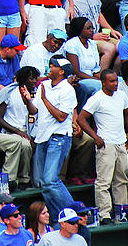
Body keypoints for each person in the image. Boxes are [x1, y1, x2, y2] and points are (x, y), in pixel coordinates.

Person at [78, 69, 128, 224]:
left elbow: (127, 113)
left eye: (116, 80)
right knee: (104, 181)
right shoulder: (97, 98)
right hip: (106, 143)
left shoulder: (121, 95)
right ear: (103, 82)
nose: (115, 83)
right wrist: (95, 137)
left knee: (121, 178)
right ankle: (104, 215)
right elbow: (81, 119)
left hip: (120, 141)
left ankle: (121, 212)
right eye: (112, 81)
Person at [33, 56, 78, 220]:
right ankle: (56, 217)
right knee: (45, 184)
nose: (49, 67)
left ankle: (75, 213)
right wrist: (26, 100)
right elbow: (34, 110)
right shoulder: (43, 85)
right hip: (42, 136)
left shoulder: (67, 90)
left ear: (61, 71)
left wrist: (45, 99)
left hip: (59, 137)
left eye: (53, 66)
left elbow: (61, 117)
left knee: (51, 180)